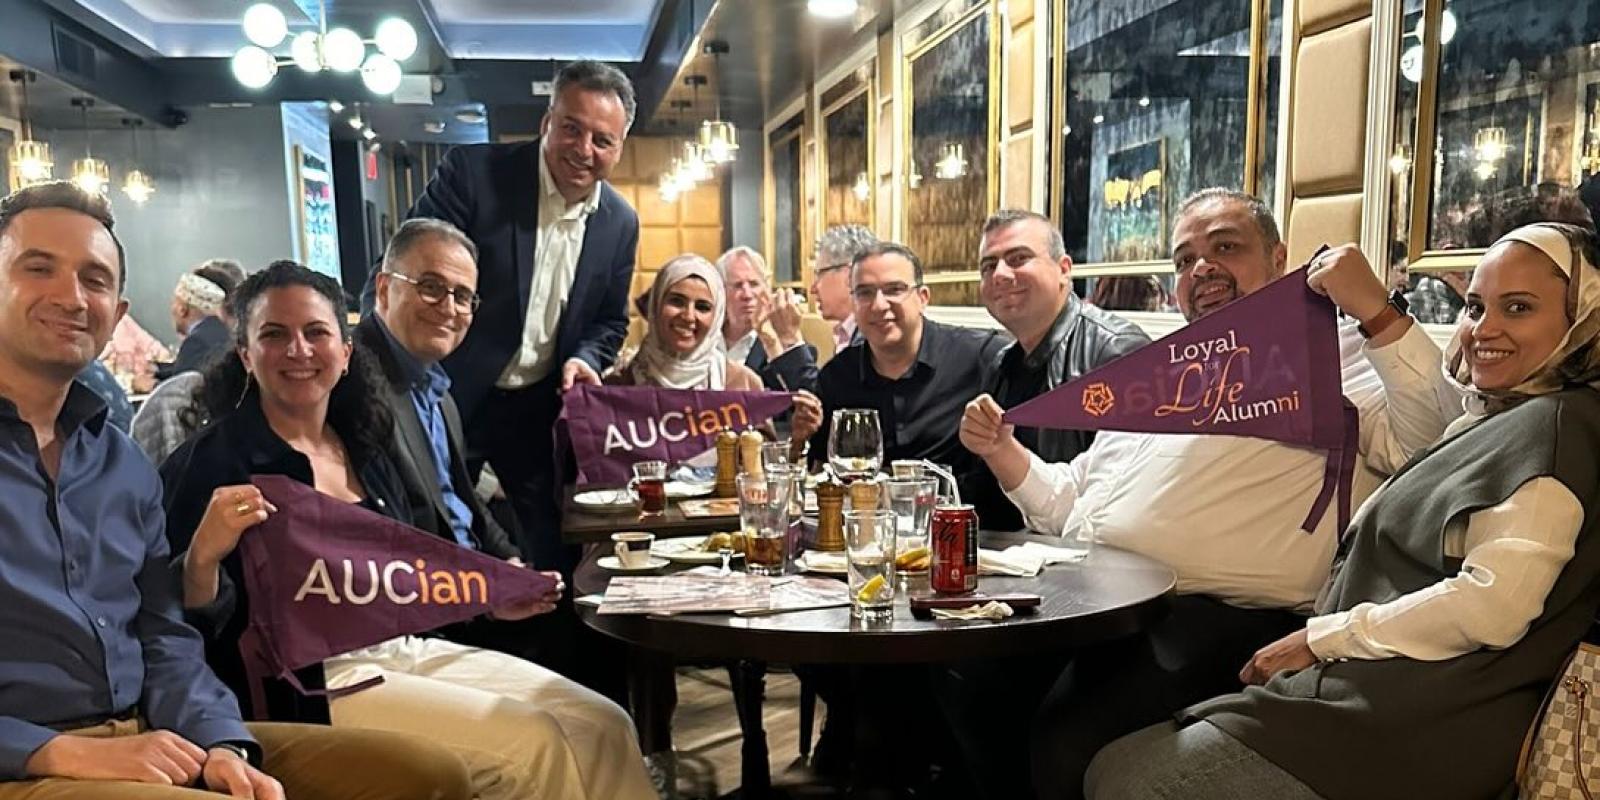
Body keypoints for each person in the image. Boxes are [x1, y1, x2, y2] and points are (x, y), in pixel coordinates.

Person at [958, 188, 1462, 800]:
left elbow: (1433, 444)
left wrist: (1380, 315)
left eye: (1226, 247)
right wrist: (1003, 451)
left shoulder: (1343, 353)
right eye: (1184, 259)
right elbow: (1070, 502)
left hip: (1219, 615)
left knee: (1066, 738)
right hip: (1092, 596)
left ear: (1279, 259)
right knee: (969, 679)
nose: (1202, 268)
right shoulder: (1166, 371)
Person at [1087, 222, 1600, 800]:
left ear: (1581, 320)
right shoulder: (1499, 415)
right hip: (1363, 685)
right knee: (1106, 759)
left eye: (1519, 308)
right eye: (1476, 307)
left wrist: (1320, 639)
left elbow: (1495, 606)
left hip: (1422, 717)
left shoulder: (1554, 425)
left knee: (1127, 776)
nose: (1486, 330)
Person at [0, 182, 472, 800]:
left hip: (155, 733)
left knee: (429, 778)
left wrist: (222, 741)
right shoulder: (205, 461)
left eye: (95, 280)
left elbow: (164, 634)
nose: (71, 296)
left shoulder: (121, 464)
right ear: (246, 353)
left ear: (117, 313)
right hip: (29, 762)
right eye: (39, 269)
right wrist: (56, 752)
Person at [162, 261, 649, 800]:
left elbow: (410, 569)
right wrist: (202, 557)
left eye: (316, 332)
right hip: (312, 683)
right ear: (245, 356)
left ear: (345, 353)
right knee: (536, 743)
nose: (298, 350)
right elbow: (182, 620)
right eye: (274, 335)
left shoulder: (367, 447)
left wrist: (486, 598)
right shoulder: (210, 463)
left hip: (407, 647)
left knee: (602, 722)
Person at [363, 60, 640, 573]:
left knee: (552, 544)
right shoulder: (474, 175)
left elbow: (609, 321)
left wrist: (584, 357)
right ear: (546, 122)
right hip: (449, 390)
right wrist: (370, 372)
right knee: (433, 527)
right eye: (572, 129)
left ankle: (544, 645)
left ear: (620, 146)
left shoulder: (621, 222)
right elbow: (402, 266)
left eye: (603, 140)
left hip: (538, 404)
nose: (584, 150)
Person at [964, 209, 1150, 531]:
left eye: (1018, 258)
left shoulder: (1116, 351)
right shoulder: (1002, 363)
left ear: (1064, 270)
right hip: (1010, 565)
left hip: (1082, 568)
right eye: (988, 266)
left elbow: (1119, 505)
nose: (1000, 275)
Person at [810, 240, 1008, 475]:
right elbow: (822, 469)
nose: (879, 305)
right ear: (853, 303)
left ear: (922, 298)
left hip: (961, 509)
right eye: (865, 293)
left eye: (894, 290)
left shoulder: (980, 358)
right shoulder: (836, 377)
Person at [717, 246, 818, 392]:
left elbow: (802, 397)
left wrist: (772, 342)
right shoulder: (706, 338)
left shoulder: (784, 347)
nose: (747, 294)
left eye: (754, 284)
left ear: (767, 289)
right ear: (721, 291)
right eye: (738, 285)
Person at [156, 261, 240, 380]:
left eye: (173, 302)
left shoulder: (197, 341)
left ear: (182, 309)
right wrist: (157, 370)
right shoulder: (219, 332)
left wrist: (150, 385)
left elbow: (182, 392)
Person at [810, 224, 878, 353]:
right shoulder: (846, 332)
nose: (813, 289)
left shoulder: (875, 334)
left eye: (819, 274)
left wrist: (791, 340)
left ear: (851, 275)